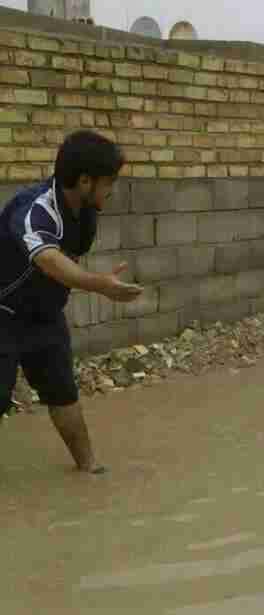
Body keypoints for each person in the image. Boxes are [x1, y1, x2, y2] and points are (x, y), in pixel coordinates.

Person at [0, 130, 142, 473]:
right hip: (2, 313)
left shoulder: (86, 213)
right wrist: (99, 285)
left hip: (44, 316)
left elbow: (65, 262)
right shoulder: (34, 209)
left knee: (63, 390)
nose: (112, 190)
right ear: (84, 180)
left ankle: (89, 468)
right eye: (109, 182)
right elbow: (48, 259)